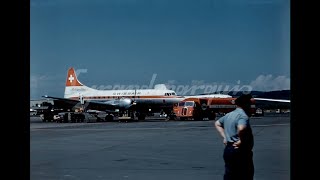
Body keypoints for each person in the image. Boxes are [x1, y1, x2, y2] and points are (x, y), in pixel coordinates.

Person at [215, 94, 254, 180]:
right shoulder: (243, 116)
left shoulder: (229, 115)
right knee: (245, 175)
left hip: (228, 149)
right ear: (246, 104)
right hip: (241, 151)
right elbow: (241, 128)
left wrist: (224, 137)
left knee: (230, 175)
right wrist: (241, 140)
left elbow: (217, 123)